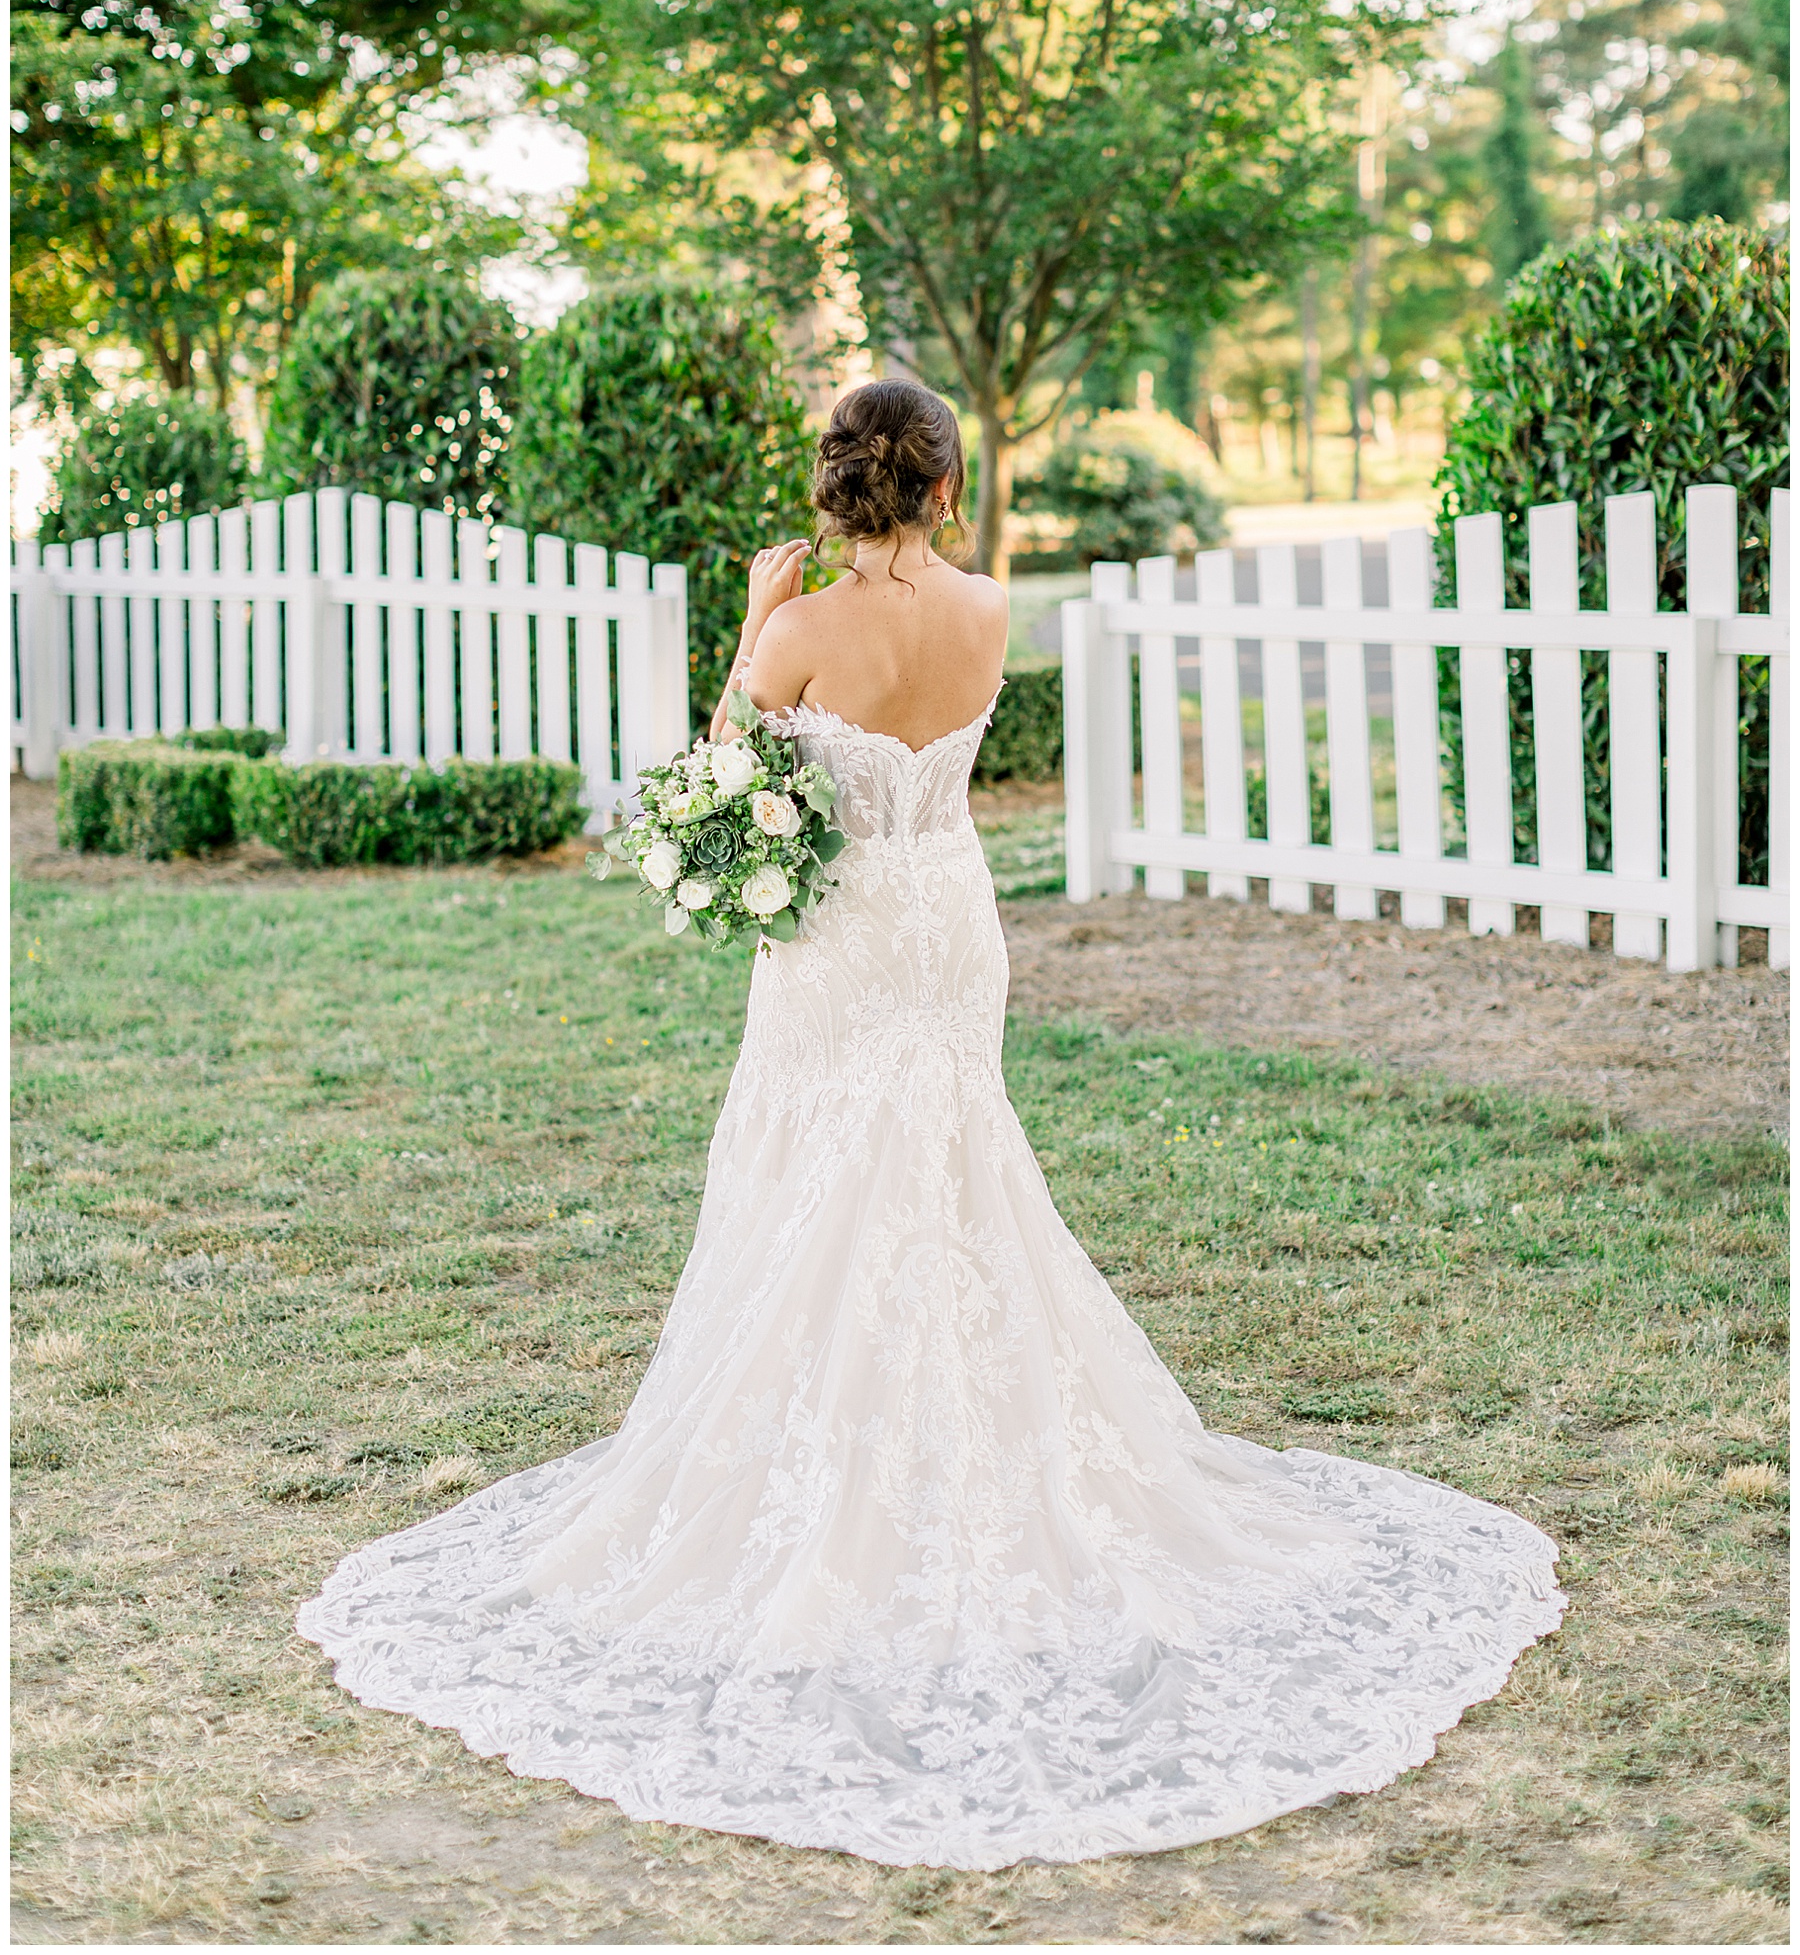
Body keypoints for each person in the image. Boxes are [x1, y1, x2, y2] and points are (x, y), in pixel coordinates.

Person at [299, 378, 1563, 1870]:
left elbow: (722, 776)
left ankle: (830, 1449)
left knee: (818, 1170)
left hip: (837, 933)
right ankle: (972, 1418)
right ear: (947, 490)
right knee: (952, 1174)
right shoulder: (992, 613)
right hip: (950, 921)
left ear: (836, 485)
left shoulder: (795, 626)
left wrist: (755, 619)